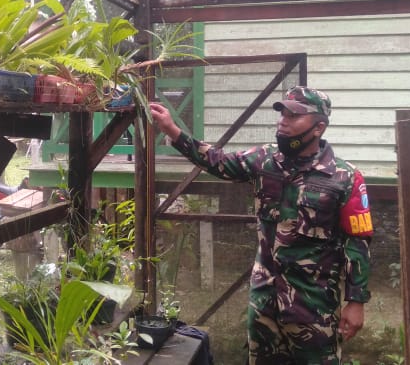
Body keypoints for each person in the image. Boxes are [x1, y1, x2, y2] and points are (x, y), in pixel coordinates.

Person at [149, 86, 372, 364]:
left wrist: (356, 301)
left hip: (314, 309)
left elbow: (358, 242)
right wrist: (172, 130)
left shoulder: (346, 178)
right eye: (283, 113)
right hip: (264, 303)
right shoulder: (265, 160)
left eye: (294, 116)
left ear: (319, 127)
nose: (283, 121)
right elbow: (218, 161)